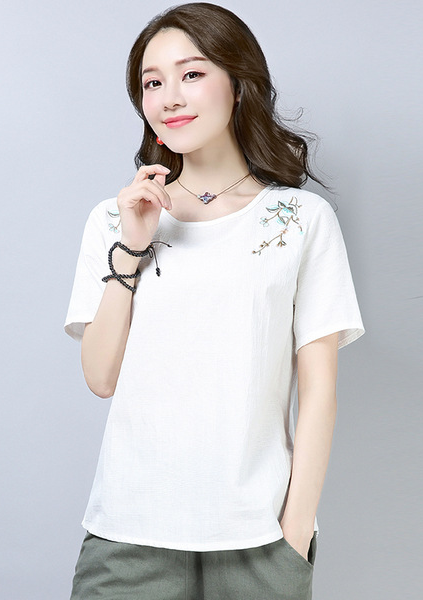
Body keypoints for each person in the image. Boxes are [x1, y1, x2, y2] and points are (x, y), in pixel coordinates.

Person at [63, 3, 365, 599]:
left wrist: (294, 534)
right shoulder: (115, 219)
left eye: (192, 74)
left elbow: (319, 393)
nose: (170, 97)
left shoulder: (300, 220)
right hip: (128, 529)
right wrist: (133, 247)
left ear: (239, 84)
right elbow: (100, 377)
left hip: (258, 539)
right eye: (153, 83)